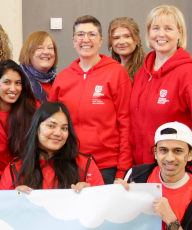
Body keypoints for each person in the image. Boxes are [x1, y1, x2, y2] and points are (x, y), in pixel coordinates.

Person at [129, 5, 192, 176]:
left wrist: (183, 154)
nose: (161, 34)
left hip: (177, 172)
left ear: (179, 33)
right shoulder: (143, 73)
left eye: (168, 28)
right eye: (155, 28)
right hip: (145, 169)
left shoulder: (188, 74)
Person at [49, 15, 132, 184]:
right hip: (68, 164)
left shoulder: (116, 73)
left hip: (106, 166)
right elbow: (50, 122)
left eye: (92, 34)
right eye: (80, 34)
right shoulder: (63, 78)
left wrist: (122, 171)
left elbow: (126, 124)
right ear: (73, 40)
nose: (85, 39)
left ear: (101, 41)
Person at [0, 101, 104, 191]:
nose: (58, 133)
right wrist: (13, 199)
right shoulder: (15, 168)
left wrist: (91, 195)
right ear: (36, 129)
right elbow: (3, 209)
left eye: (64, 128)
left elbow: (103, 206)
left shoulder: (86, 164)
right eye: (51, 126)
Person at [19, 30, 58, 107]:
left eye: (50, 48)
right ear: (29, 53)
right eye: (40, 48)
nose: (46, 52)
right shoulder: (19, 80)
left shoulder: (59, 82)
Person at [108, 17, 146, 82]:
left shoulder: (145, 68)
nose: (121, 42)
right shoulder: (109, 68)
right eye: (116, 38)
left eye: (127, 36)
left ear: (137, 39)